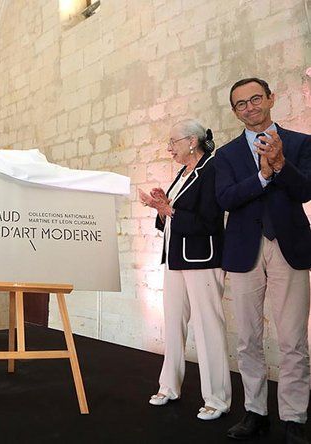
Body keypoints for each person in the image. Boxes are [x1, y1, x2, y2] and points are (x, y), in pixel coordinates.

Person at [215, 77, 311, 443]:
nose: (250, 107)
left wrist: (282, 164)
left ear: (271, 99)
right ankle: (255, 412)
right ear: (235, 112)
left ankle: (294, 418)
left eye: (256, 99)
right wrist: (262, 175)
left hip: (289, 246)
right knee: (248, 338)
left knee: (292, 339)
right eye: (241, 103)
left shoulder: (301, 143)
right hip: (244, 251)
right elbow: (225, 198)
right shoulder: (225, 155)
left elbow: (306, 190)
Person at [138, 119, 231, 421]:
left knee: (208, 329)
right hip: (175, 259)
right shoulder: (182, 173)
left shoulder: (212, 170)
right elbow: (172, 217)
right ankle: (169, 386)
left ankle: (217, 399)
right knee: (173, 323)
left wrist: (170, 210)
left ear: (192, 141)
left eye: (173, 142)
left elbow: (210, 221)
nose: (169, 148)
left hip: (203, 261)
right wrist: (161, 207)